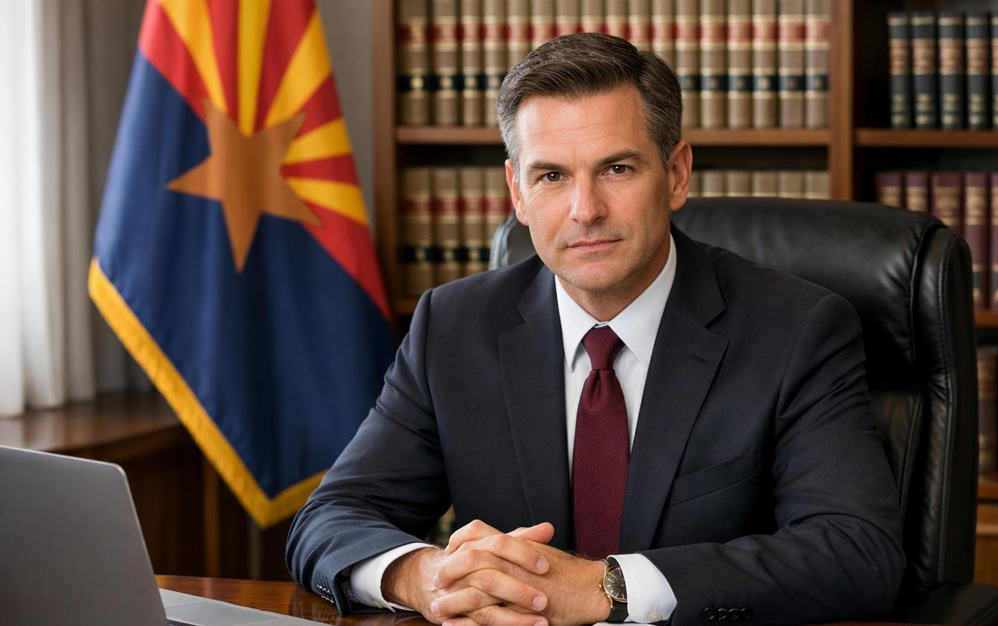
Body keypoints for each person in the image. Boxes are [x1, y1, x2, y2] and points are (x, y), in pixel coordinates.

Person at [287, 32, 904, 626]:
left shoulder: (796, 330)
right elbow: (332, 518)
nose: (585, 210)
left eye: (616, 168)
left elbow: (856, 551)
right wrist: (425, 578)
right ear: (518, 193)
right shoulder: (453, 326)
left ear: (678, 173)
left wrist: (606, 587)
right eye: (551, 175)